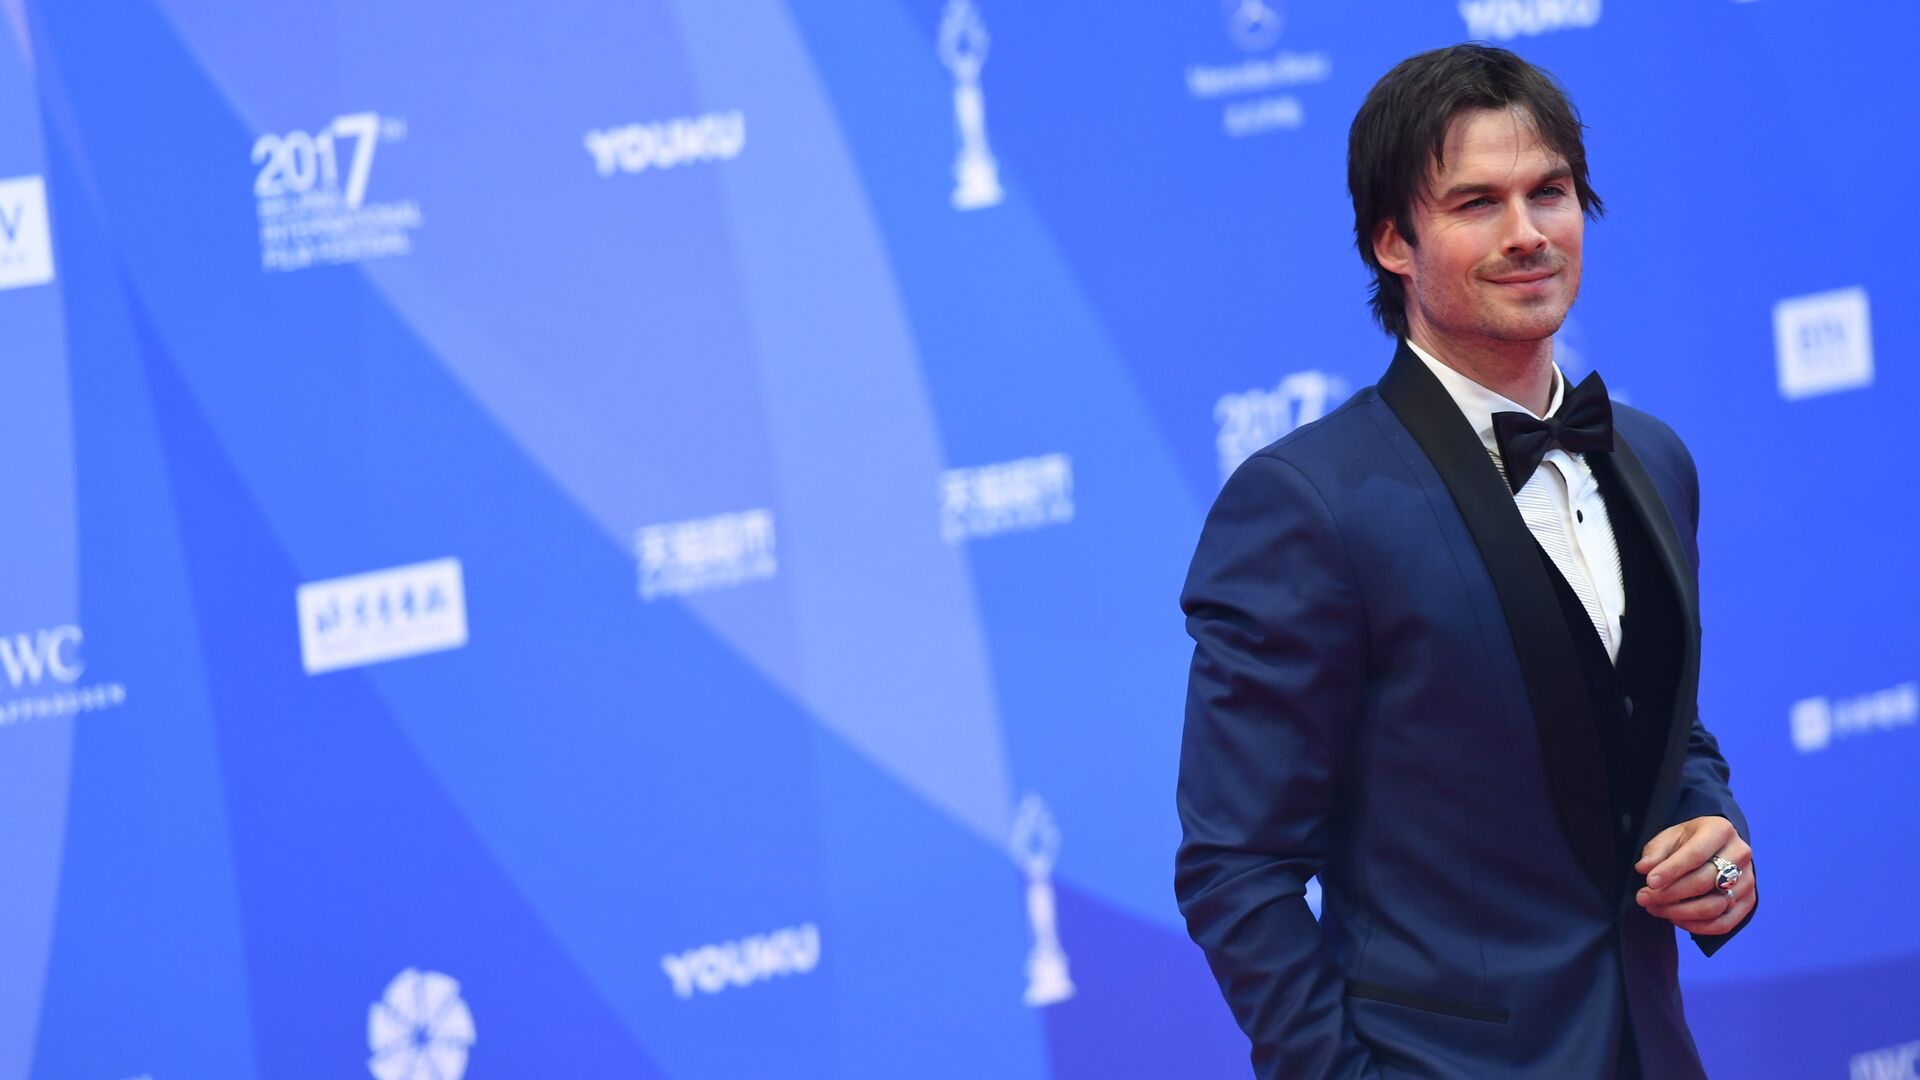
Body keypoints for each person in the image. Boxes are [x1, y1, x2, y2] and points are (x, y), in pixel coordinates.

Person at [1174, 44, 1756, 1079]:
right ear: (1393, 241)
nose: (1528, 233)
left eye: (1551, 193)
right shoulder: (1308, 504)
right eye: (1477, 203)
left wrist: (1710, 828)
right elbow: (1238, 867)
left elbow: (1659, 723)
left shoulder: (1653, 457)